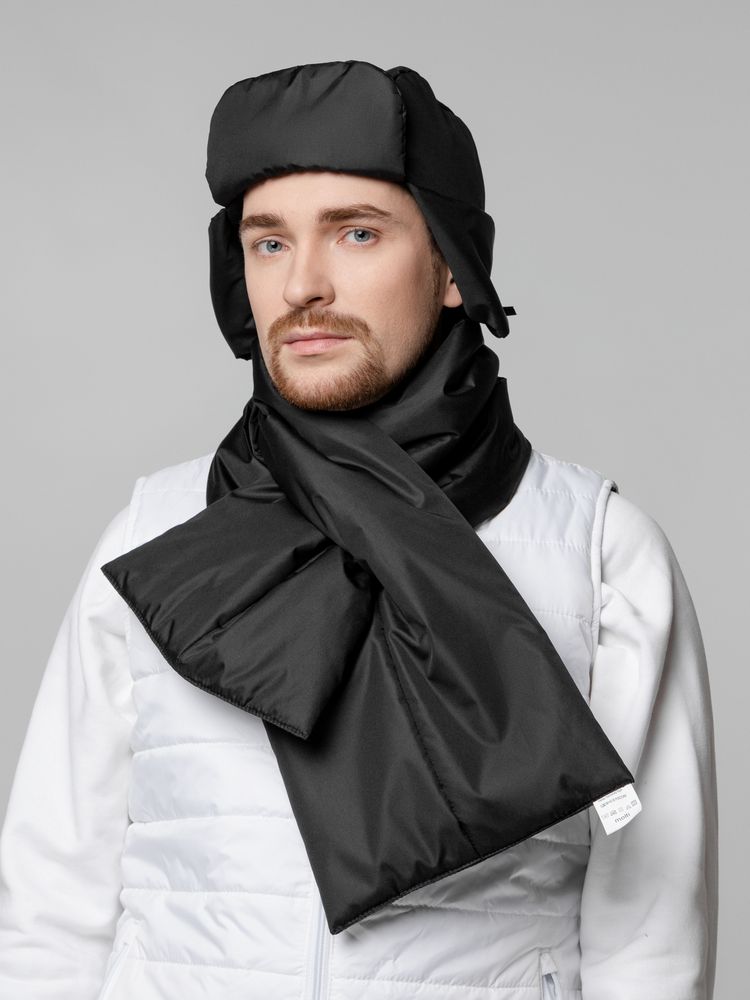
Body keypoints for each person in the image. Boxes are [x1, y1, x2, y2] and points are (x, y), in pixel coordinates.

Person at [0, 60, 718, 1000]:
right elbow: (52, 902)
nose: (302, 284)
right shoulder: (155, 534)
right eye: (268, 242)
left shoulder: (600, 553)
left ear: (452, 267)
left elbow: (651, 937)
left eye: (358, 233)